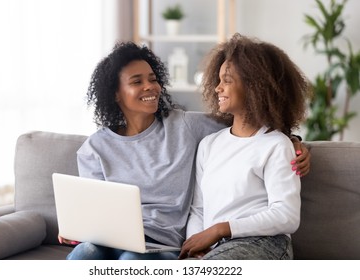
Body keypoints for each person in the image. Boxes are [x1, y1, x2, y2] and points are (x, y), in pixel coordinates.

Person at [59, 41, 310, 260]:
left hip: (161, 244)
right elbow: (92, 212)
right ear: (115, 94)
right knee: (86, 253)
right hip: (111, 239)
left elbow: (249, 119)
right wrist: (78, 229)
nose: (150, 87)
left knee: (131, 261)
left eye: (153, 79)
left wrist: (292, 140)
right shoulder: (95, 149)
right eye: (137, 81)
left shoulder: (185, 126)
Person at [179, 33, 310, 260]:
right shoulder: (209, 145)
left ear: (255, 87)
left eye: (227, 80)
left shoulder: (277, 145)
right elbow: (198, 209)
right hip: (217, 246)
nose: (218, 88)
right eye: (218, 80)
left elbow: (287, 215)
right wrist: (197, 244)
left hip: (264, 243)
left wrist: (220, 229)